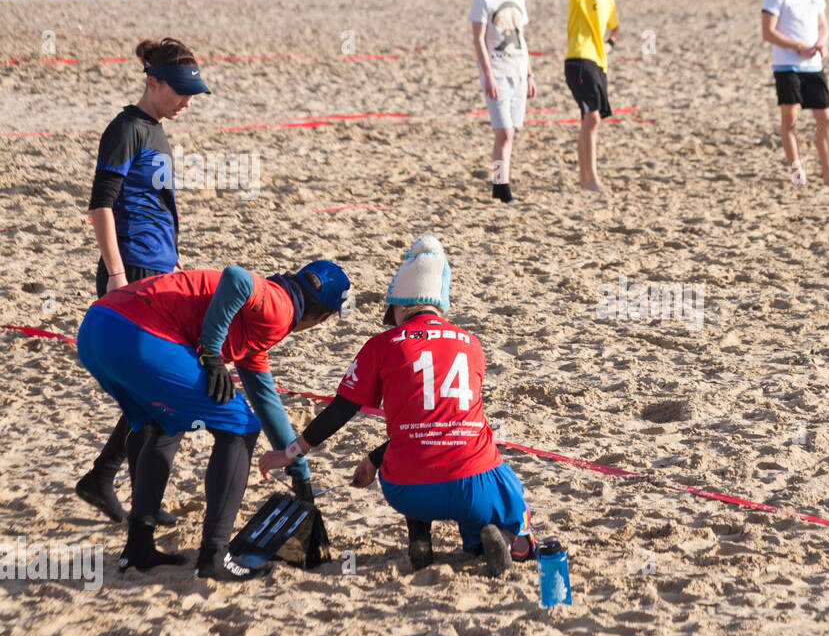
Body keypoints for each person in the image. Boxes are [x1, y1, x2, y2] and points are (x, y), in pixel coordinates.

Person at [258, 237, 535, 577]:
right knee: (500, 482)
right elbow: (445, 422)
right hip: (473, 487)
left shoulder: (381, 345)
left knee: (415, 446)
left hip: (407, 489)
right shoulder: (472, 345)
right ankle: (508, 541)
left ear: (400, 306)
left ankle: (419, 536)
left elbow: (339, 411)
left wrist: (291, 453)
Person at [76, 260, 351, 581]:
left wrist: (298, 472)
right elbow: (236, 277)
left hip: (98, 327)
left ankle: (139, 547)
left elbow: (266, 400)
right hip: (138, 330)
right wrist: (210, 350)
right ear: (320, 318)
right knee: (241, 426)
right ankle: (215, 556)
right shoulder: (278, 306)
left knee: (162, 423)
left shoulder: (258, 326)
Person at [75, 38, 212, 526]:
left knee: (146, 394)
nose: (187, 101)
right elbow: (101, 205)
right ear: (152, 82)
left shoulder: (157, 131)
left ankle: (108, 481)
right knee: (152, 392)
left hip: (158, 270)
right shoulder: (125, 129)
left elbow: (157, 209)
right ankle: (132, 499)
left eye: (192, 92)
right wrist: (115, 273)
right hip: (129, 273)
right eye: (179, 91)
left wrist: (173, 263)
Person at [760, 0, 829, 187]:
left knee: (827, 118)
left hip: (813, 65)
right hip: (787, 66)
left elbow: (823, 25)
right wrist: (798, 47)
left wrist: (822, 43)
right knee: (791, 120)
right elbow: (768, 32)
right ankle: (798, 174)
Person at [470, 0, 536, 204]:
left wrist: (530, 75)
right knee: (504, 132)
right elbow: (478, 39)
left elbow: (522, 39)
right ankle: (502, 187)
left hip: (518, 71)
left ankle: (499, 187)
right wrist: (487, 74)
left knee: (510, 133)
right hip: (496, 72)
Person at [563, 0, 620, 192]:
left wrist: (610, 44)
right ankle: (591, 180)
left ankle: (585, 180)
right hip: (578, 59)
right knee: (592, 117)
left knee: (589, 120)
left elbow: (615, 27)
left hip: (598, 63)